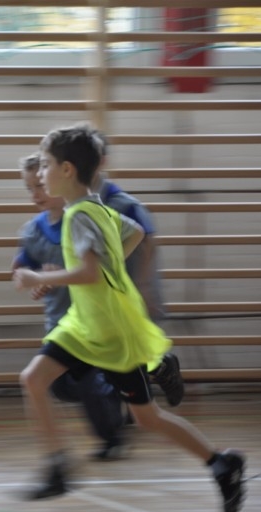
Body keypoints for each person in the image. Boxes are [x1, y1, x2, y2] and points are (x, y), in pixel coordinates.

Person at [13, 124, 246, 512]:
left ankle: (221, 463)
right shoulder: (96, 208)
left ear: (67, 170)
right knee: (33, 379)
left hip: (110, 332)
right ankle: (57, 467)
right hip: (83, 325)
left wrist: (39, 278)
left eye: (46, 165)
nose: (41, 173)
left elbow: (88, 272)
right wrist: (105, 266)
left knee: (146, 417)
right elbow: (134, 232)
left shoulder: (79, 216)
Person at [13, 153, 129, 461]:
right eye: (29, 188)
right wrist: (32, 278)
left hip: (90, 321)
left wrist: (52, 275)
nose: (35, 194)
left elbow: (97, 267)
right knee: (60, 387)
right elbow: (20, 269)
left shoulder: (80, 220)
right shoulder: (32, 231)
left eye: (40, 185)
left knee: (86, 383)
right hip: (58, 322)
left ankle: (111, 438)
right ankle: (118, 391)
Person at [91, 131, 183, 406]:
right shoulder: (79, 203)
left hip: (132, 287)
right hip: (107, 292)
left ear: (102, 161)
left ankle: (161, 370)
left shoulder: (124, 203)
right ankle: (152, 378)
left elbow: (148, 241)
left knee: (131, 353)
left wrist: (143, 286)